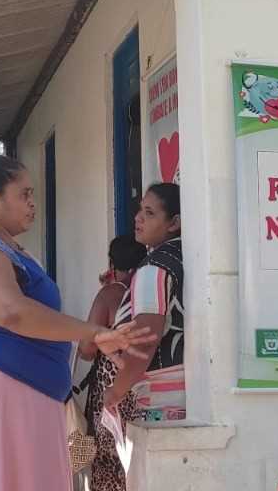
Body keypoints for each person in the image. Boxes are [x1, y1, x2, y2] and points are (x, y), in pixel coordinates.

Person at [0, 150, 158, 491]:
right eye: (24, 195)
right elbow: (10, 311)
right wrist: (94, 332)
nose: (32, 203)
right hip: (2, 384)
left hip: (15, 384)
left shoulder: (1, 246)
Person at [101, 182, 186, 432]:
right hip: (189, 394)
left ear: (174, 222)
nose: (138, 218)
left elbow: (144, 340)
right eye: (141, 210)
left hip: (163, 400)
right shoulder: (185, 257)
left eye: (150, 213)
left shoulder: (154, 269)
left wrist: (116, 391)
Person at [81, 235, 147, 491]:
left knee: (108, 458)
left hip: (111, 392)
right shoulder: (150, 293)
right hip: (141, 387)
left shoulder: (110, 294)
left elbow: (86, 349)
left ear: (112, 263)